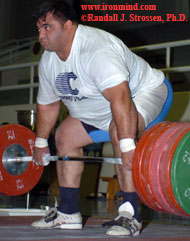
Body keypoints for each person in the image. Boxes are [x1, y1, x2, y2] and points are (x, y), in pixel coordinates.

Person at [31, 0, 173, 236]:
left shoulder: (96, 50)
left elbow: (121, 98)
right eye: (39, 29)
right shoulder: (49, 61)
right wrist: (40, 142)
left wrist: (128, 147)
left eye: (47, 27)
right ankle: (67, 213)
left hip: (145, 93)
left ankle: (130, 215)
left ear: (68, 26)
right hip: (103, 109)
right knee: (65, 136)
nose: (41, 35)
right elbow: (48, 104)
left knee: (120, 131)